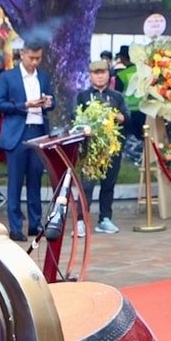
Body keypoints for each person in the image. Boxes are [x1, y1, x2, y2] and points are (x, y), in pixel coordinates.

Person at [0, 42, 53, 238]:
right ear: (22, 54)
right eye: (31, 58)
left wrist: (48, 103)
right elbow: (0, 105)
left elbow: (50, 104)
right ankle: (15, 227)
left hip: (38, 130)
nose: (35, 62)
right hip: (17, 132)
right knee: (15, 181)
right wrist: (25, 105)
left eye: (38, 58)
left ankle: (35, 223)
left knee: (35, 179)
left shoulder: (43, 77)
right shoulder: (8, 76)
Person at [74, 61, 127, 234]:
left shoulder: (117, 96)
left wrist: (118, 116)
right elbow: (75, 118)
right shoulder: (83, 96)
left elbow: (127, 117)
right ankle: (81, 221)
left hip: (111, 148)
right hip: (91, 149)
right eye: (96, 73)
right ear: (90, 76)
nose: (99, 76)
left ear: (108, 74)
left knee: (108, 184)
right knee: (87, 186)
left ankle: (105, 218)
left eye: (103, 72)